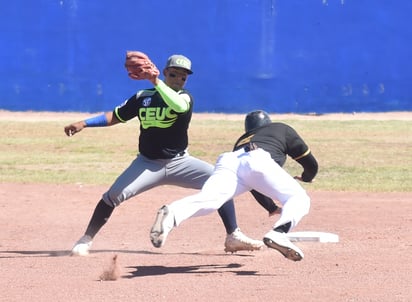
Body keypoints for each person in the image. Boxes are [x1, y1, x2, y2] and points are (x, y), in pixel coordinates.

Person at [64, 54, 265, 256]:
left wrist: (156, 81)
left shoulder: (185, 97)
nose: (178, 79)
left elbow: (177, 106)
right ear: (166, 71)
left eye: (183, 77)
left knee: (220, 182)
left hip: (180, 162)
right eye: (174, 74)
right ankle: (86, 239)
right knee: (112, 196)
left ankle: (233, 235)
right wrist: (84, 123)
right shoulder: (143, 97)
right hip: (147, 163)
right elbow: (117, 116)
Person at [150, 110, 318, 261]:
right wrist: (306, 177)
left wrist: (271, 207)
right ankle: (279, 233)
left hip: (229, 160)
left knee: (210, 200)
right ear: (268, 122)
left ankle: (172, 214)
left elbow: (254, 183)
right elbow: (311, 164)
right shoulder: (281, 128)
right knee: (299, 198)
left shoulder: (242, 140)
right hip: (257, 159)